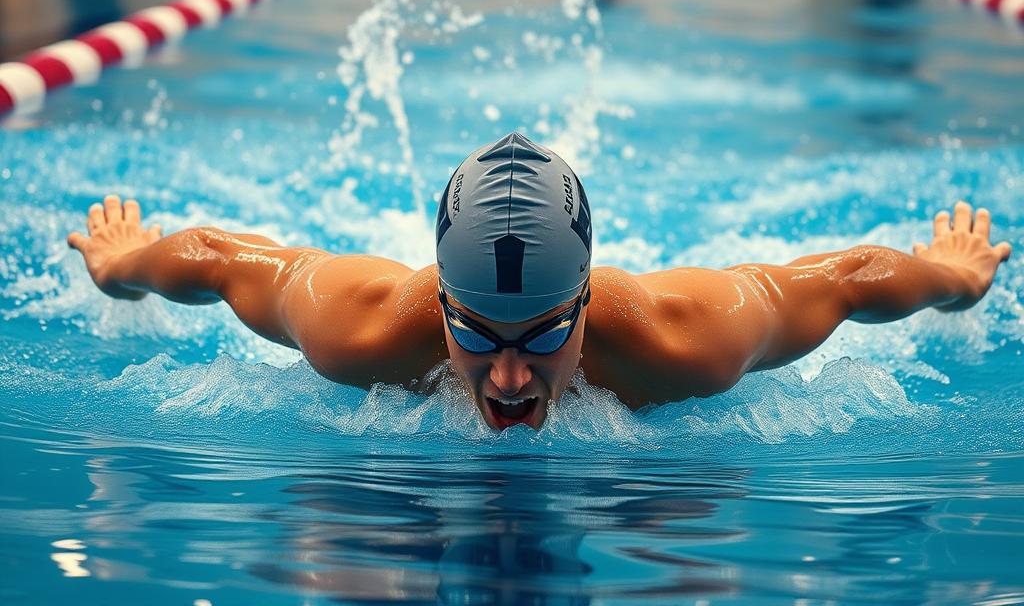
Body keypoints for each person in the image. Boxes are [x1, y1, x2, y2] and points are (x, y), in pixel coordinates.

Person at [68, 132, 1011, 431]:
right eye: (475, 335)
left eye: (543, 338)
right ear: (438, 304)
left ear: (588, 304)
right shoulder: (361, 331)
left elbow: (844, 279)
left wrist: (953, 281)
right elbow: (226, 260)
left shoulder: (689, 339)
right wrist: (122, 272)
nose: (509, 380)